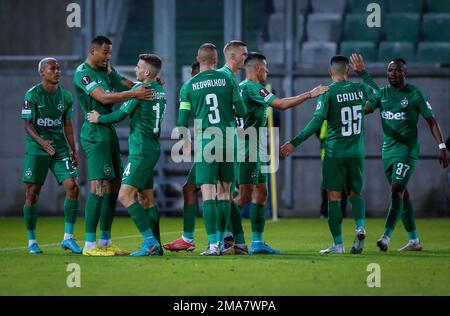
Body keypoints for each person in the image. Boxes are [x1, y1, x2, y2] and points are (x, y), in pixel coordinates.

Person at [281, 55, 379, 254]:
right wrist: (364, 73)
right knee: (355, 193)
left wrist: (294, 142)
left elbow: (316, 122)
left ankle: (338, 245)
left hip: (334, 153)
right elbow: (378, 97)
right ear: (348, 71)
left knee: (333, 198)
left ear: (329, 72)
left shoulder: (327, 92)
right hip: (357, 153)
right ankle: (360, 227)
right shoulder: (359, 89)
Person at [351, 54, 449, 251]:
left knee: (396, 190)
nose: (393, 73)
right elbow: (364, 110)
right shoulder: (384, 94)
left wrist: (442, 146)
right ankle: (414, 241)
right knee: (402, 195)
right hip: (388, 151)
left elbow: (432, 121)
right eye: (390, 70)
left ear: (405, 73)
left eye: (397, 70)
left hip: (407, 150)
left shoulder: (415, 94)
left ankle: (386, 237)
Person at [237, 52, 328, 254]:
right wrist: (309, 94)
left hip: (254, 149)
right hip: (247, 150)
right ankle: (221, 237)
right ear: (258, 68)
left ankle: (258, 243)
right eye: (266, 68)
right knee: (243, 198)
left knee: (261, 193)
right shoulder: (252, 88)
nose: (268, 72)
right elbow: (282, 105)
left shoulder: (243, 88)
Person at [165, 40, 250, 254]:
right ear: (216, 60)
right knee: (225, 194)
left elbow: (182, 121)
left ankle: (213, 245)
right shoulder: (228, 79)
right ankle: (226, 241)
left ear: (198, 60)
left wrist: (184, 142)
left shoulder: (188, 86)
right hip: (229, 140)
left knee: (209, 193)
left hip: (206, 142)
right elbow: (241, 111)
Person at [73, 35, 153, 256]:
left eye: (110, 52)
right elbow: (104, 98)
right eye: (105, 52)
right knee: (99, 187)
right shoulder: (84, 73)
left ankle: (105, 241)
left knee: (114, 187)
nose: (109, 56)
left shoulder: (106, 69)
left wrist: (147, 83)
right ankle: (89, 245)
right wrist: (135, 93)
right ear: (93, 51)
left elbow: (125, 83)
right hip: (94, 133)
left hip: (108, 131)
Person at [88, 54, 166, 256]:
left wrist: (99, 118)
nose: (136, 69)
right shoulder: (160, 89)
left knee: (124, 195)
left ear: (147, 72)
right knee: (147, 199)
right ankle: (156, 245)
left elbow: (120, 115)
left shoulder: (140, 91)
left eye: (139, 67)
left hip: (140, 152)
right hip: (152, 148)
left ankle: (150, 243)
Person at [21, 58, 82, 254]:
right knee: (32, 193)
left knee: (73, 188)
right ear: (42, 72)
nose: (57, 71)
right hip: (38, 148)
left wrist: (74, 149)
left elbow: (68, 126)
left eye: (58, 68)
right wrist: (42, 143)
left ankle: (68, 238)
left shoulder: (65, 96)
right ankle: (32, 241)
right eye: (52, 68)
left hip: (60, 149)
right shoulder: (32, 95)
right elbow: (27, 125)